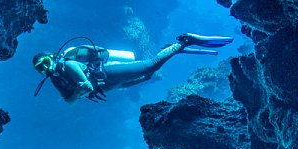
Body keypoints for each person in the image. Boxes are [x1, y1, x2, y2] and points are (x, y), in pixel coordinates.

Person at [33, 33, 233, 103]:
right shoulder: (57, 78)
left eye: (44, 63)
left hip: (109, 73)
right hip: (111, 84)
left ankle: (185, 41)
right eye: (39, 68)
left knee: (149, 66)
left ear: (52, 58)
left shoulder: (67, 64)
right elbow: (69, 99)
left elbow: (84, 85)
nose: (44, 68)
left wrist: (76, 92)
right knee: (148, 75)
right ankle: (172, 50)